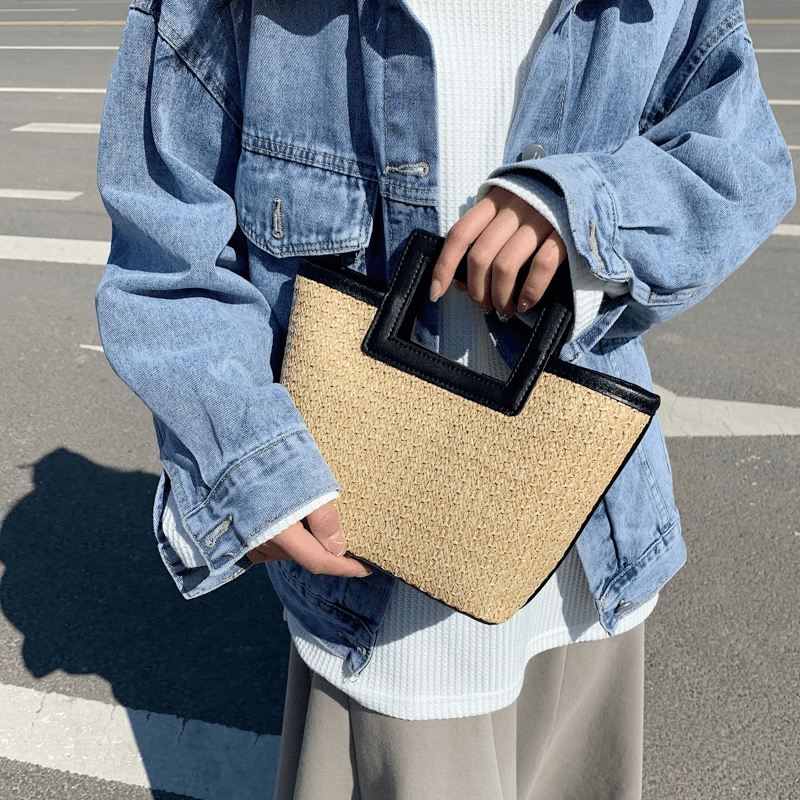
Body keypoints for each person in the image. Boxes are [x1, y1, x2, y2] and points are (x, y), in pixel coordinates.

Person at [96, 0, 795, 797]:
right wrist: (247, 462)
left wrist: (587, 213)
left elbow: (739, 156)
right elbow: (169, 255)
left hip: (593, 560)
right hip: (386, 602)